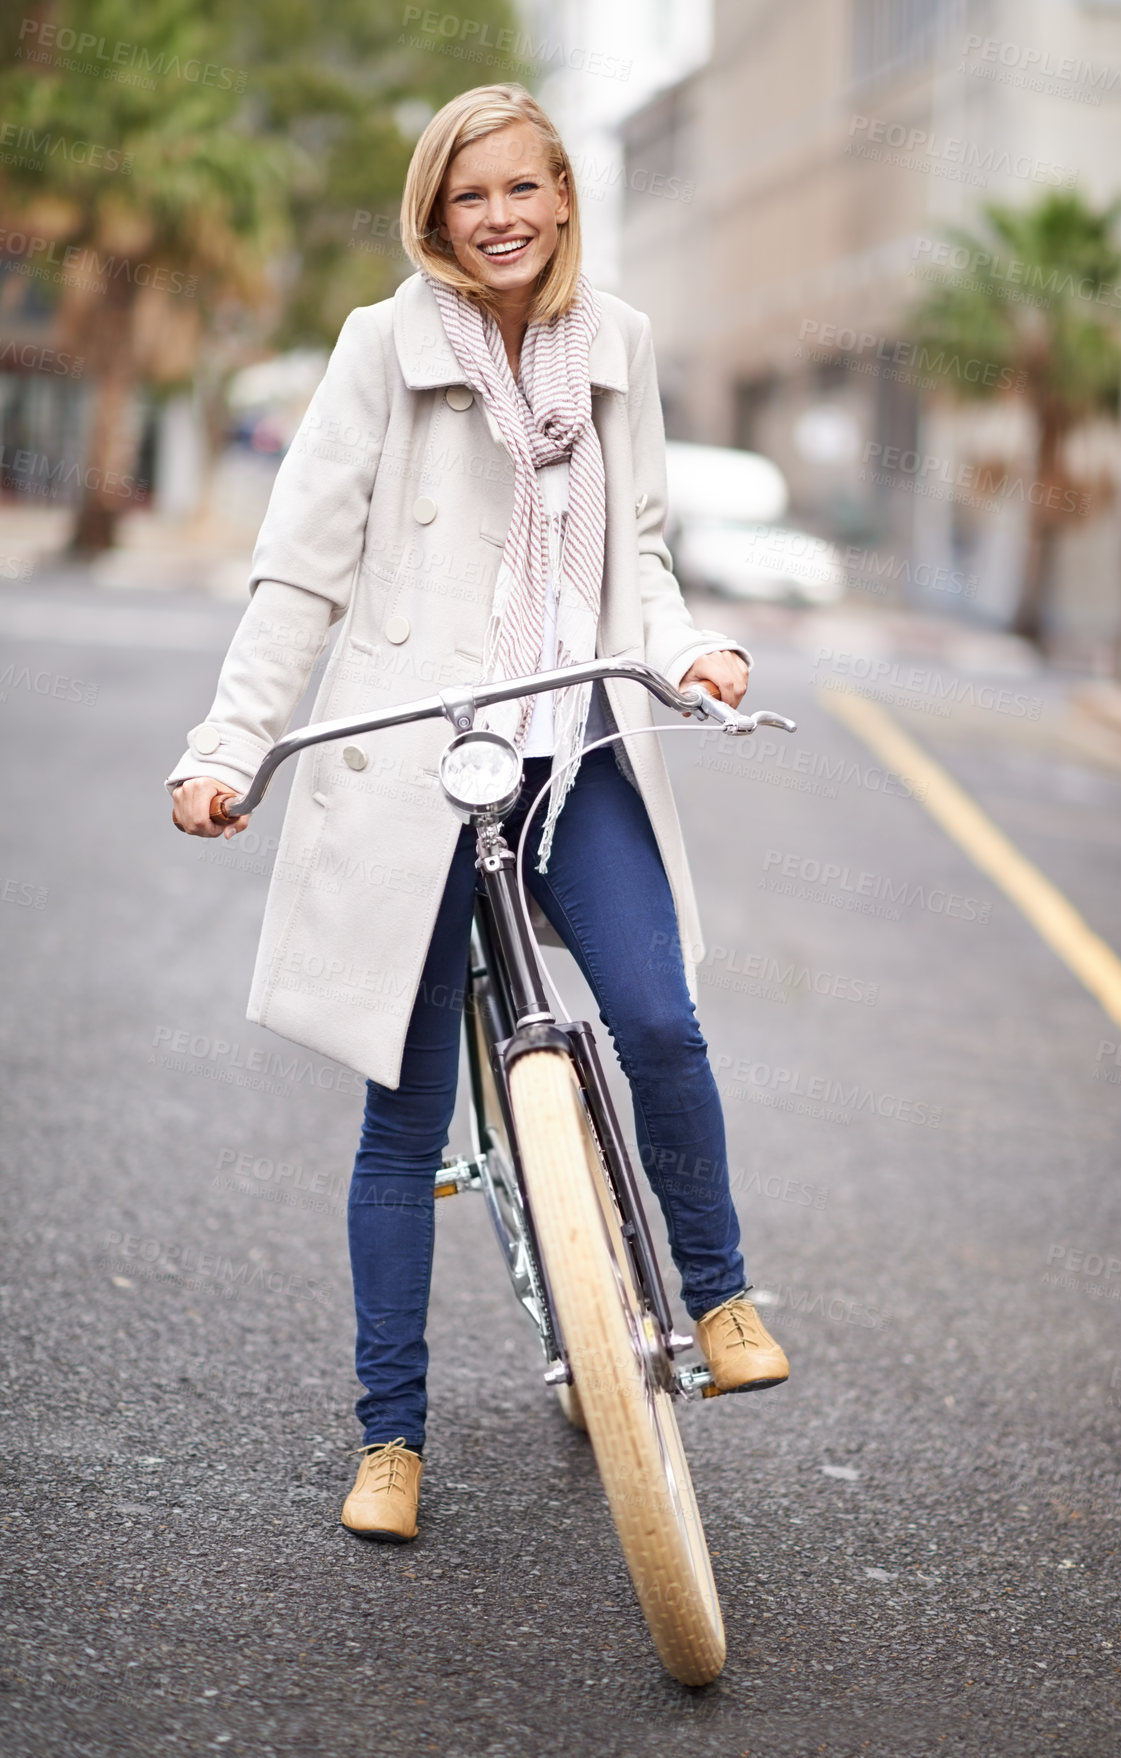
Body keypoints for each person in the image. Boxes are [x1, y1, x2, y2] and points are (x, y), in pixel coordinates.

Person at [168, 82, 788, 1546]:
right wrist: (227, 743)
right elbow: (303, 573)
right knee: (403, 1122)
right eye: (469, 197)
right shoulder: (382, 350)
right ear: (436, 216)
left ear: (564, 195)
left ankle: (718, 1287)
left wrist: (689, 652)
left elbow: (638, 552)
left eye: (523, 188)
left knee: (660, 1018)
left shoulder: (617, 346)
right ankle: (392, 1437)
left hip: (574, 738)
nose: (498, 217)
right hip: (422, 751)